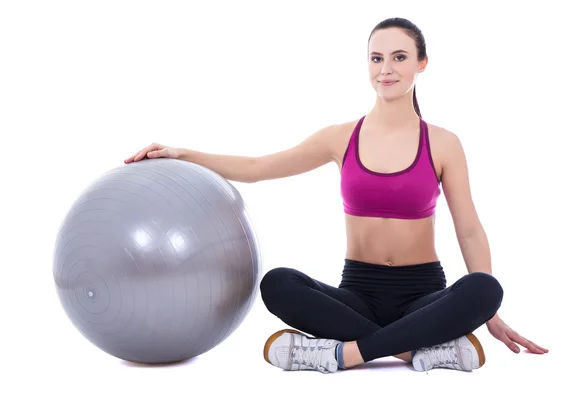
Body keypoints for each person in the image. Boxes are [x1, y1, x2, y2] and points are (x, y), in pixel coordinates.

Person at [124, 17, 548, 374]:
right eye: (377, 58)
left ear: (422, 64)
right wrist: (183, 153)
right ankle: (412, 351)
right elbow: (257, 168)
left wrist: (490, 316)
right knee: (278, 284)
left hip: (423, 294)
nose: (386, 69)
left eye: (399, 57)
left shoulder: (443, 143)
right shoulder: (340, 137)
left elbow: (469, 230)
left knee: (484, 289)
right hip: (357, 294)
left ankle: (339, 355)